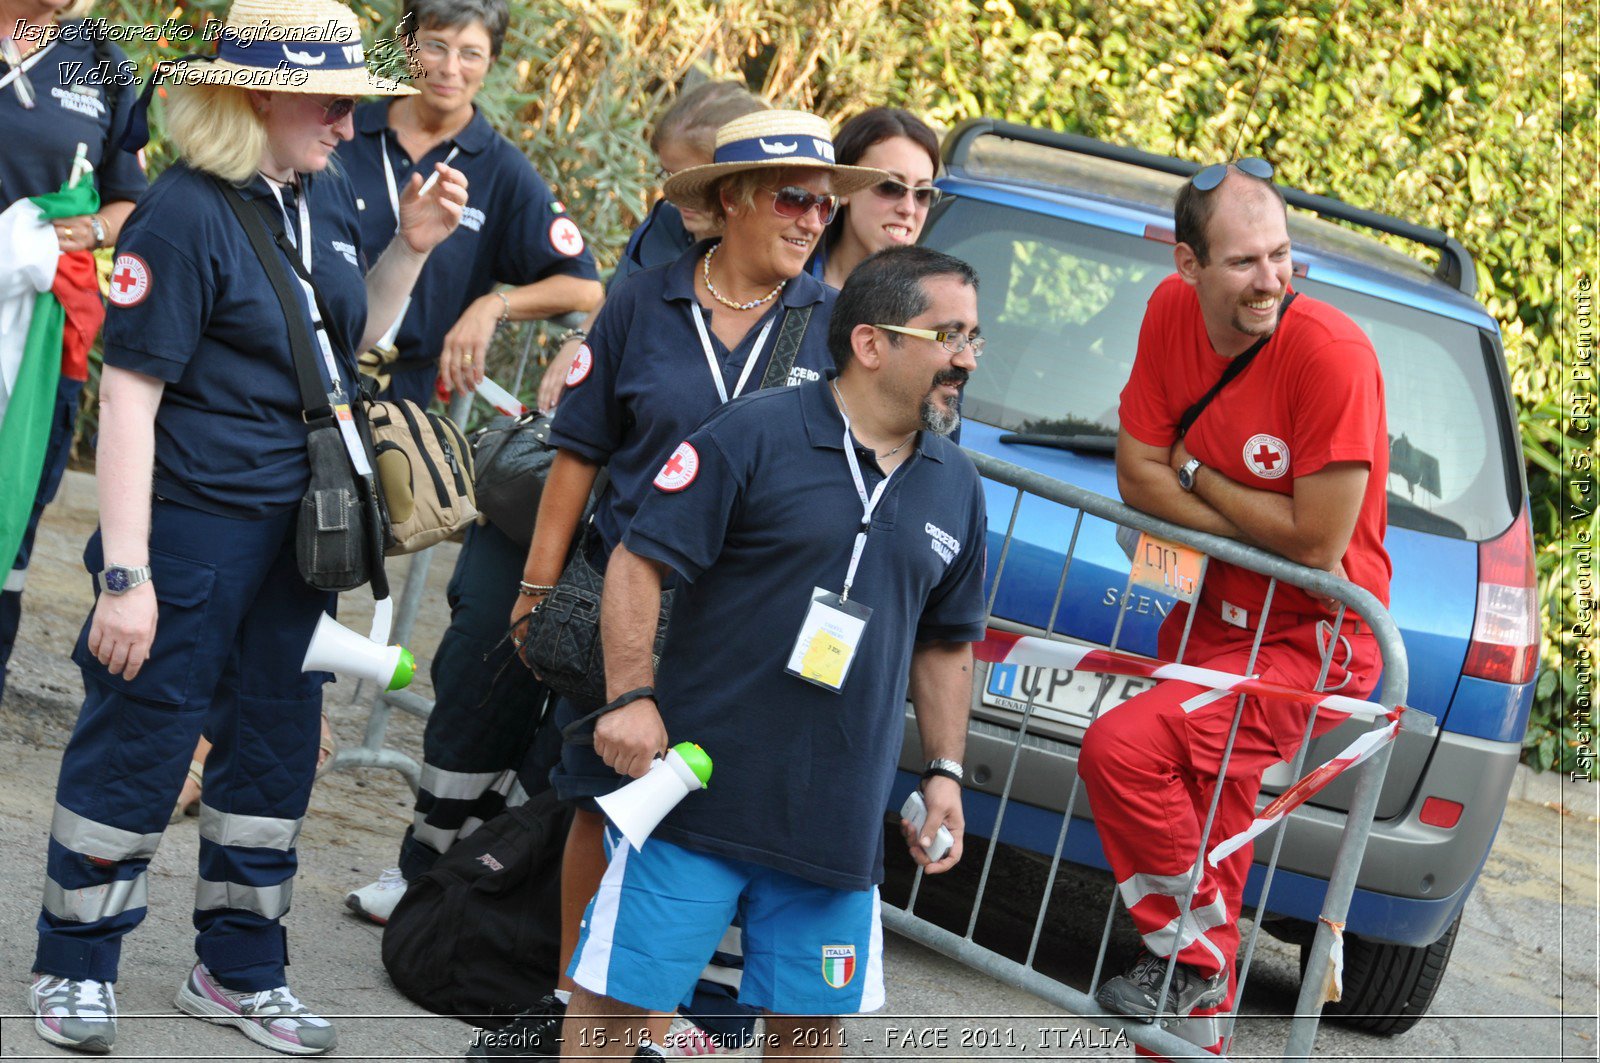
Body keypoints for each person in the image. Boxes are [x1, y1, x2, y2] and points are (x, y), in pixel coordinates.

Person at [26, 0, 466, 1055]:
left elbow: (349, 349)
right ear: (260, 94)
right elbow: (128, 401)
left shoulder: (311, 196)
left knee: (273, 753)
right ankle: (75, 964)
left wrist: (408, 252)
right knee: (142, 739)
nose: (351, 125)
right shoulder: (183, 212)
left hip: (294, 540)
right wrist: (124, 573)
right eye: (332, 102)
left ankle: (239, 970)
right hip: (189, 531)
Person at [473, 109, 885, 1059]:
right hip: (630, 595)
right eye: (794, 197)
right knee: (597, 798)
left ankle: (657, 1021)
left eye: (826, 204)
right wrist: (537, 587)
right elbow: (579, 452)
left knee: (707, 817)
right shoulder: (644, 299)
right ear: (731, 198)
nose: (814, 217)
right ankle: (589, 1009)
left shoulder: (832, 326)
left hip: (754, 626)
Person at [557, 245, 988, 1060]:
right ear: (871, 343)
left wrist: (944, 772)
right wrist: (629, 696)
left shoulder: (957, 486)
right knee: (614, 1008)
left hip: (836, 821)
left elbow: (945, 640)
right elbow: (637, 560)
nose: (965, 359)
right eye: (948, 335)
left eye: (973, 338)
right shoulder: (755, 432)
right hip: (694, 795)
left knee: (807, 1034)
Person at [1082, 159, 1391, 1054]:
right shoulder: (1167, 312)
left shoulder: (1332, 354)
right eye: (1245, 263)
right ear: (1188, 266)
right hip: (1207, 620)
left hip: (1312, 639)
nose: (1271, 281)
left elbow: (1316, 545)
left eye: (1282, 257)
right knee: (1211, 841)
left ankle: (1199, 954)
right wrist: (1208, 494)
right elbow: (1132, 473)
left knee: (1122, 747)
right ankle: (1188, 1027)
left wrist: (1193, 469)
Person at [0, 0, 146, 708]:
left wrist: (88, 227)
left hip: (39, 338)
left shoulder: (105, 62)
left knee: (11, 519)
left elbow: (130, 199)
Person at [535, 80, 765, 414]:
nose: (675, 195)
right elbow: (622, 295)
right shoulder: (665, 222)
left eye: (693, 181)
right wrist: (578, 341)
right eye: (668, 176)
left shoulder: (773, 252)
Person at [818, 107, 940, 290]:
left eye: (922, 193)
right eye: (891, 187)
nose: (909, 208)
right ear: (843, 185)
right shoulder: (782, 280)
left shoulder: (926, 311)